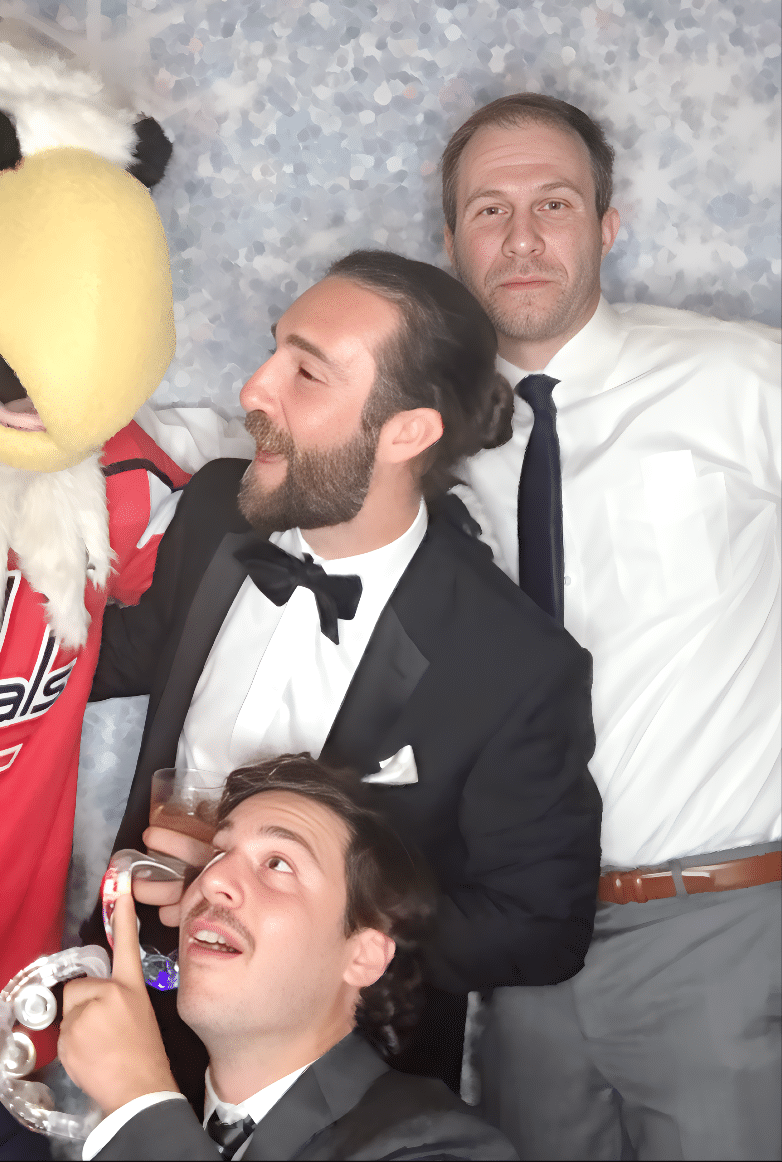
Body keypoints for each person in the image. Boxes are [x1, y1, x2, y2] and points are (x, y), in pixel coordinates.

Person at [85, 248, 603, 1099]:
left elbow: (539, 929)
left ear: (406, 432)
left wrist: (320, 928)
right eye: (272, 351)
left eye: (306, 372)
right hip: (146, 1006)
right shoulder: (217, 510)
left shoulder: (510, 665)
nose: (253, 388)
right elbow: (130, 652)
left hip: (345, 1089)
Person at [440, 92, 781, 1161]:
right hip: (518, 942)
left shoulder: (736, 379)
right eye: (487, 211)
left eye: (553, 202)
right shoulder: (422, 428)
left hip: (714, 930)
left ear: (605, 225)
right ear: (449, 241)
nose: (523, 237)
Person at [60, 754, 517, 1161]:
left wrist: (140, 1101)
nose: (212, 880)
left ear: (363, 956)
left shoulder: (441, 1148)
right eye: (218, 853)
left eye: (278, 863)